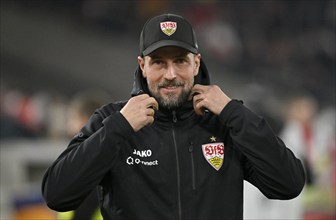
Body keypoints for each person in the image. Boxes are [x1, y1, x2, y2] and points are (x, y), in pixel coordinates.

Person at [42, 13, 305, 220]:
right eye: (158, 62)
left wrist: (234, 112)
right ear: (143, 65)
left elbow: (289, 184)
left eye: (180, 61)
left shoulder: (224, 122)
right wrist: (118, 128)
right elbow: (56, 195)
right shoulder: (112, 120)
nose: (170, 74)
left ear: (196, 64)